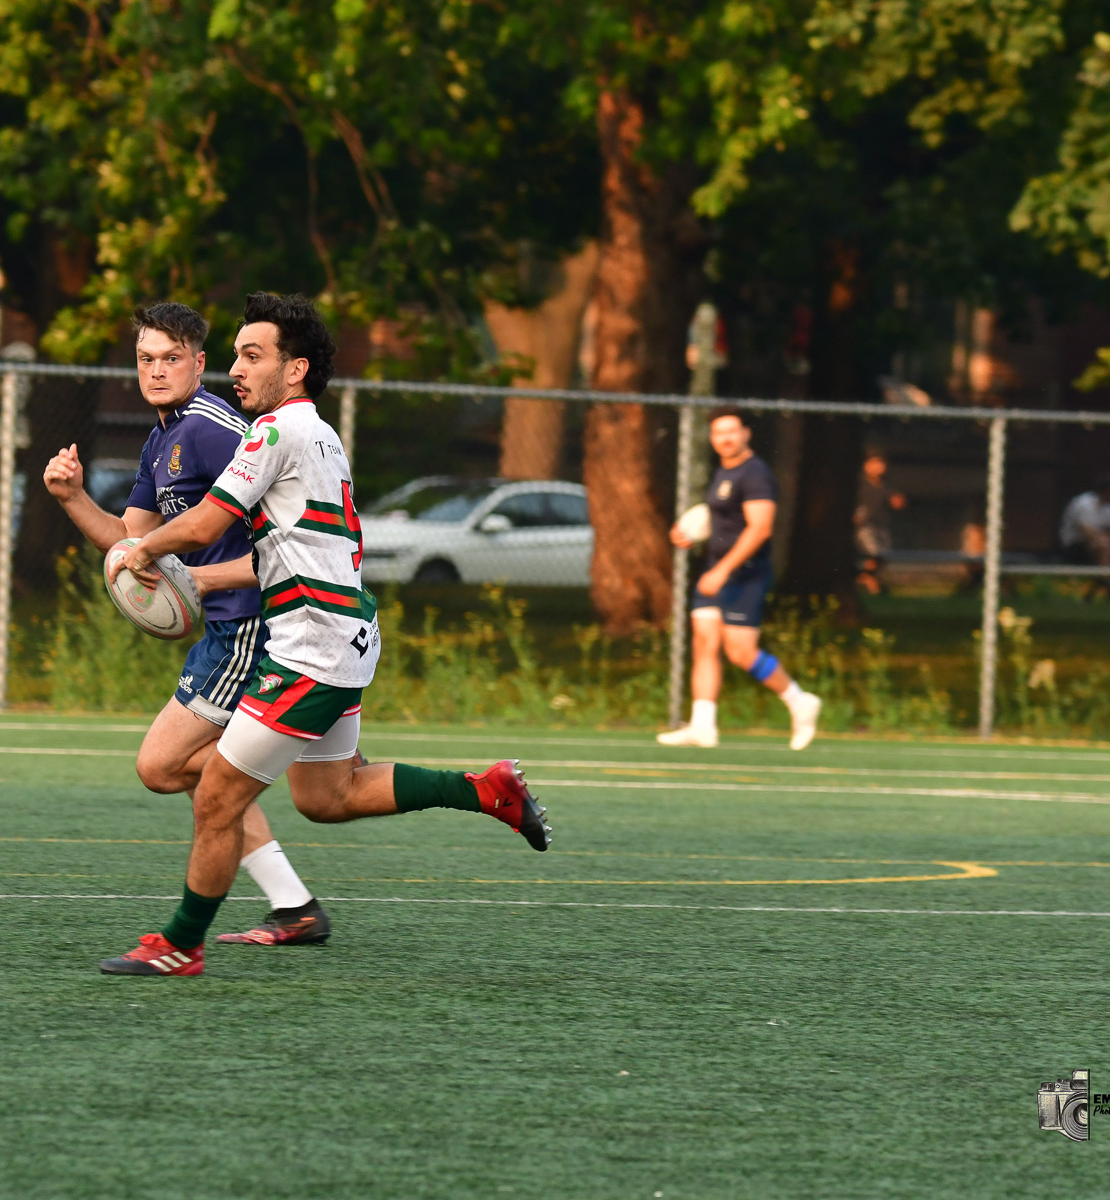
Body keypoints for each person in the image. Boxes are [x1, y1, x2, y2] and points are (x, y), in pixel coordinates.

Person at [96, 292, 549, 977]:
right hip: (345, 636)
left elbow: (204, 525)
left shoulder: (274, 434)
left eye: (253, 356)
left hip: (310, 648)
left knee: (216, 795)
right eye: (238, 355)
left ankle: (181, 945)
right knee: (327, 796)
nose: (237, 370)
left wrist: (142, 552)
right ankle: (485, 789)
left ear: (296, 368)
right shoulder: (319, 434)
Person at [42, 302, 330, 946]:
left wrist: (201, 578)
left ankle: (267, 789)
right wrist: (72, 497)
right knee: (189, 772)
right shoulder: (162, 437)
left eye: (171, 358)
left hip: (253, 623)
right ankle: (294, 904)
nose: (157, 370)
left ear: (199, 364)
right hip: (224, 628)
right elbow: (129, 540)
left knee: (163, 765)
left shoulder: (210, 429)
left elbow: (286, 544)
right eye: (146, 359)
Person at [659, 406, 822, 751]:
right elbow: (719, 520)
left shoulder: (755, 474)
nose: (725, 439)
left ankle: (799, 701)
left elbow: (760, 528)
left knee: (741, 652)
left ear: (746, 433)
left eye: (732, 431)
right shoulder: (724, 472)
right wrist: (688, 533)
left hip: (744, 575)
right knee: (704, 643)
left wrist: (723, 570)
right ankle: (702, 726)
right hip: (714, 572)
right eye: (719, 433)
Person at [1059, 474, 1110, 602]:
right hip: (1076, 545)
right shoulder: (1083, 503)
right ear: (1109, 490)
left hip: (1103, 544)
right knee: (1103, 545)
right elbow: (1087, 533)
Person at [854, 451, 905, 595]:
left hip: (881, 525)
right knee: (872, 554)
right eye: (874, 463)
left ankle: (863, 579)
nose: (878, 467)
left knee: (884, 556)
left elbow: (895, 500)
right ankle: (871, 585)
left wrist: (897, 501)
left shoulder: (886, 483)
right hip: (865, 526)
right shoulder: (860, 483)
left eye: (881, 463)